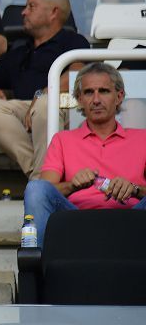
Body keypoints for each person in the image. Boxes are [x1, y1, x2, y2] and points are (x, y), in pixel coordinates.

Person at [24, 63, 146, 239]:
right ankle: (35, 262)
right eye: (89, 92)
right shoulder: (63, 139)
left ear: (119, 96)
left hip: (133, 216)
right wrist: (72, 185)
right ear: (80, 99)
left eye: (104, 91)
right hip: (75, 217)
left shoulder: (142, 138)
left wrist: (134, 189)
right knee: (35, 188)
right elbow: (44, 190)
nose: (96, 100)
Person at [0, 0, 89, 179]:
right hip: (25, 108)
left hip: (63, 105)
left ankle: (43, 179)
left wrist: (43, 94)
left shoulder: (72, 40)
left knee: (45, 104)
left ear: (53, 13)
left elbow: (78, 72)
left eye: (31, 7)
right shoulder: (20, 48)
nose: (24, 12)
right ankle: (40, 176)